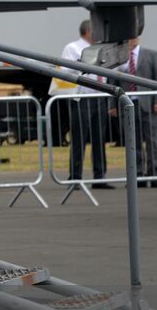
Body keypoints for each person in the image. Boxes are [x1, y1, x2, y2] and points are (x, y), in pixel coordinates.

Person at [53, 19, 107, 183]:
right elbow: (65, 70)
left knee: (99, 138)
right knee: (79, 138)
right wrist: (82, 65)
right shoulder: (72, 48)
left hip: (99, 97)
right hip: (81, 98)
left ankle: (100, 177)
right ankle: (75, 176)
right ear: (88, 32)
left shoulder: (101, 48)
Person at [114, 36, 157, 187]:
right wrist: (113, 105)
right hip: (128, 104)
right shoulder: (121, 58)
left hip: (147, 104)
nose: (133, 40)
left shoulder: (150, 55)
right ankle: (137, 175)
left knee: (152, 140)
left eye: (134, 37)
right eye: (130, 38)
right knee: (133, 141)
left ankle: (154, 173)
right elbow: (114, 81)